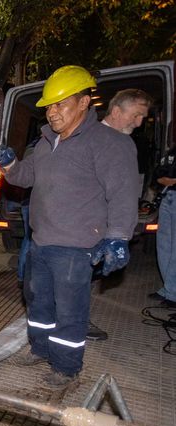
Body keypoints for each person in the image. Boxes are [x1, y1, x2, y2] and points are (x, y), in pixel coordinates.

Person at [0, 65, 138, 386]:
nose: (52, 113)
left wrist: (118, 237)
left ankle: (66, 366)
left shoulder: (107, 143)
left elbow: (123, 193)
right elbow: (27, 176)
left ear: (85, 102)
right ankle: (40, 348)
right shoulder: (46, 142)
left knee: (70, 312)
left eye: (61, 104)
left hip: (76, 247)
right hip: (41, 242)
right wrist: (11, 163)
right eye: (49, 106)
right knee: (37, 300)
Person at [84, 88, 154, 340]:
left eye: (142, 118)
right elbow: (124, 192)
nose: (138, 123)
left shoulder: (89, 134)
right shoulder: (118, 142)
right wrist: (119, 234)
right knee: (79, 278)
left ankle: (71, 319)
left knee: (82, 278)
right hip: (88, 227)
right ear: (116, 111)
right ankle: (75, 322)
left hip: (89, 225)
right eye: (135, 116)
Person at [151, 146, 176, 306]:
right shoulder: (173, 151)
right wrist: (160, 179)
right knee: (164, 245)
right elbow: (158, 171)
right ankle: (169, 289)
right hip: (167, 196)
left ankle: (173, 293)